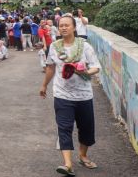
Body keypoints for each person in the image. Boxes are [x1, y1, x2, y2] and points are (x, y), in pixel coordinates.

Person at [40, 15, 101, 176]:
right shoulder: (54, 47)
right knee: (64, 128)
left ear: (74, 27)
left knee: (86, 129)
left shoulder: (85, 46)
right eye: (61, 26)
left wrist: (85, 71)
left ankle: (83, 155)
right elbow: (51, 68)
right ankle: (67, 164)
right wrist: (44, 85)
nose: (64, 28)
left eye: (67, 25)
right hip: (62, 95)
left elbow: (96, 67)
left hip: (84, 95)